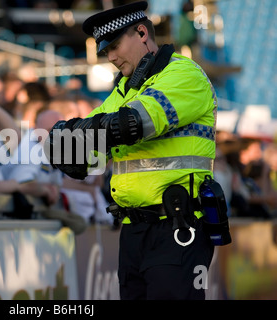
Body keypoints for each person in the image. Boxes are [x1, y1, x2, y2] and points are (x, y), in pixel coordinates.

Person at [46, 1, 219, 299]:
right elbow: (78, 159)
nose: (110, 57)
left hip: (178, 226)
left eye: (114, 46)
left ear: (141, 32)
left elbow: (133, 124)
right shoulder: (123, 91)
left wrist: (80, 132)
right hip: (133, 231)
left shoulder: (184, 74)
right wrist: (70, 143)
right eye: (105, 51)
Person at [6, 109, 87, 234]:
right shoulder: (31, 148)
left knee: (79, 223)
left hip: (37, 210)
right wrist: (46, 190)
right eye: (50, 130)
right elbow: (20, 184)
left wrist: (52, 189)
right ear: (36, 129)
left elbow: (56, 184)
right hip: (17, 214)